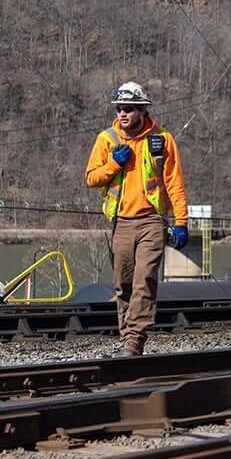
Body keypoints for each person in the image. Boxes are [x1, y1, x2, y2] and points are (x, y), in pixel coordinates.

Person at [85, 81, 189, 357]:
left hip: (152, 221)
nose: (123, 114)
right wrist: (114, 164)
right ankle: (128, 335)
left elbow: (174, 183)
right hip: (121, 222)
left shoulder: (162, 139)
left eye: (129, 109)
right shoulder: (107, 139)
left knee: (145, 280)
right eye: (120, 109)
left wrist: (181, 221)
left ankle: (134, 340)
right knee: (124, 284)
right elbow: (92, 178)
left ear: (142, 110)